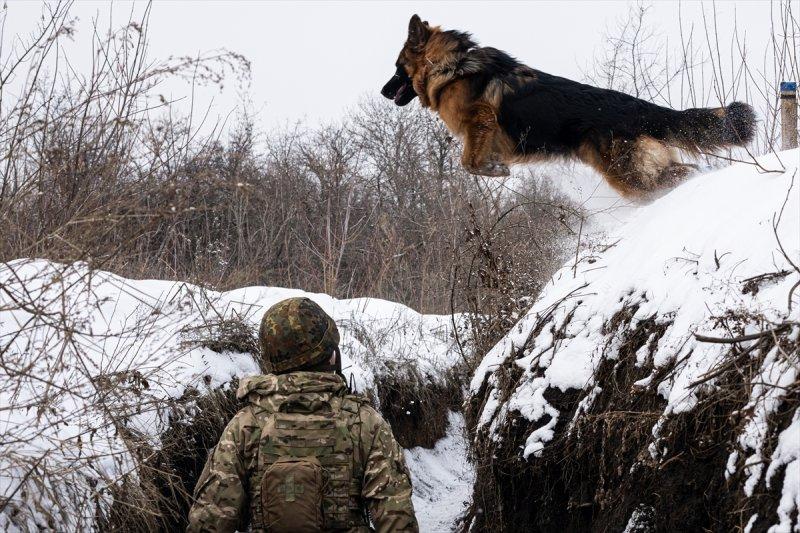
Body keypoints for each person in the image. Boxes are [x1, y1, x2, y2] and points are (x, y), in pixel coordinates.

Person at [187, 297, 419, 533]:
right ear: (331, 356)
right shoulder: (365, 422)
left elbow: (208, 522)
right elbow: (398, 522)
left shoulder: (245, 424)